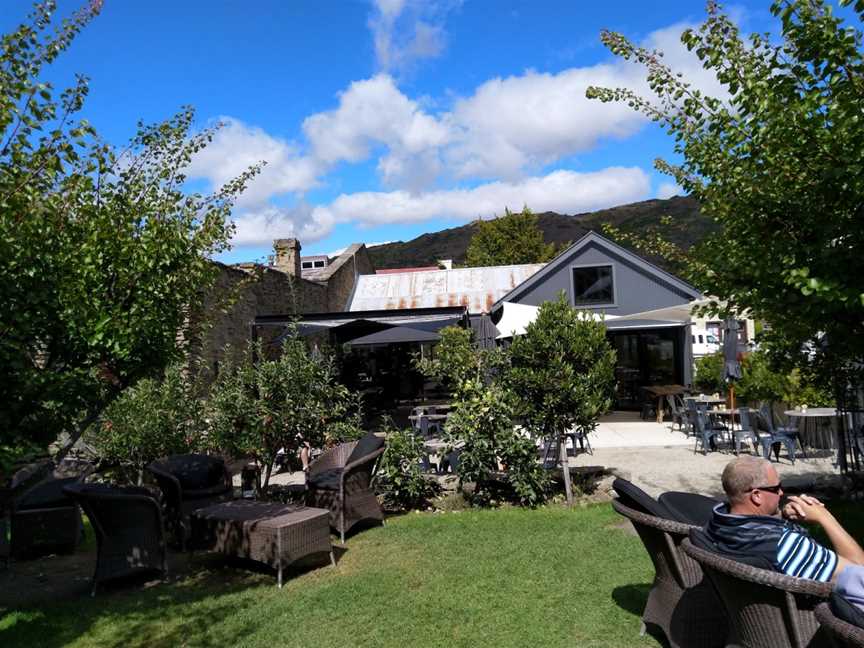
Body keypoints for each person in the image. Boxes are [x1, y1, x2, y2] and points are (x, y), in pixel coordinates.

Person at [703, 456, 864, 583]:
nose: (781, 493)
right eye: (776, 488)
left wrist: (781, 516)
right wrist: (824, 517)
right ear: (756, 496)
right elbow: (859, 573)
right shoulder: (786, 545)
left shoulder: (717, 524)